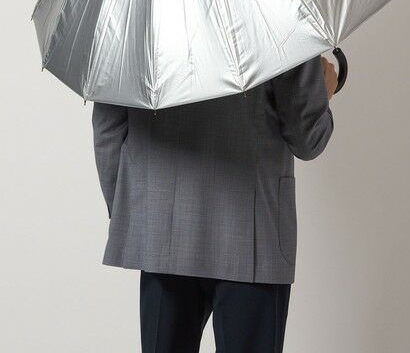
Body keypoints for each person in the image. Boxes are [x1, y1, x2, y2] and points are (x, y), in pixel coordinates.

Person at [92, 54, 337, 353]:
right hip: (253, 233)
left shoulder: (133, 28)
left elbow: (108, 130)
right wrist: (323, 90)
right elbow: (307, 137)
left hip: (160, 236)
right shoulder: (281, 24)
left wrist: (136, 216)